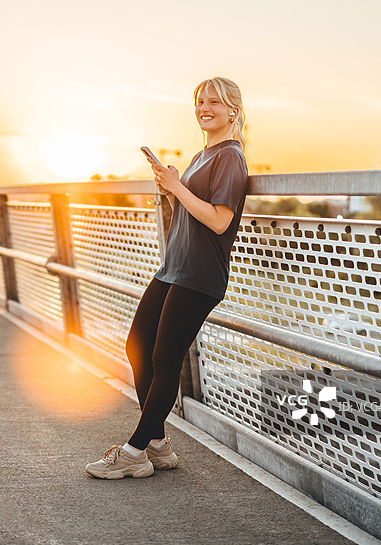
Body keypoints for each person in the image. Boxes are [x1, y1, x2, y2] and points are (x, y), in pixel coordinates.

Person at [86, 77, 249, 479]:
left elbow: (219, 220)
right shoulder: (202, 154)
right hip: (173, 267)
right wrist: (172, 187)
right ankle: (157, 444)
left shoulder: (231, 157)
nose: (204, 107)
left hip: (199, 273)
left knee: (164, 358)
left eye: (214, 101)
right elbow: (192, 209)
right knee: (137, 344)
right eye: (199, 101)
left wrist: (177, 186)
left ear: (234, 110)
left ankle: (135, 450)